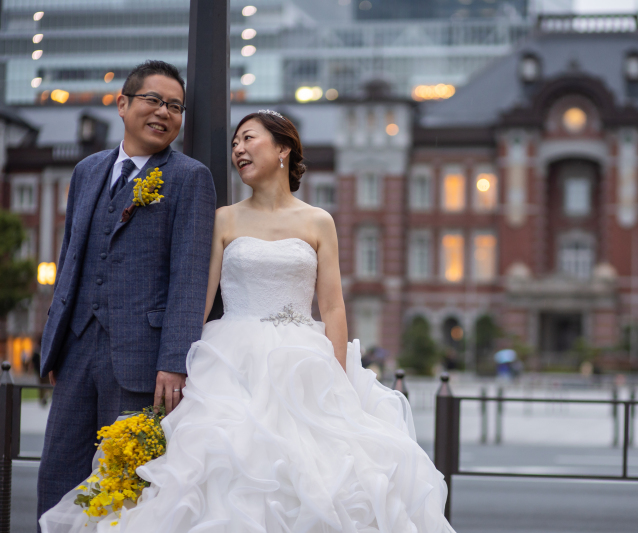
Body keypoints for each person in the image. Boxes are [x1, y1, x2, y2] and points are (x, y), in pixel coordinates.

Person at [41, 110, 455, 532]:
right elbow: (197, 302)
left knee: (321, 473)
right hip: (228, 360)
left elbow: (332, 307)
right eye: (235, 143)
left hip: (302, 362)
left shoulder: (318, 221)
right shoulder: (225, 218)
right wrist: (175, 361)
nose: (238, 149)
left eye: (248, 139)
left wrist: (338, 379)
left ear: (282, 149)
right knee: (220, 465)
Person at [36, 60, 216, 524]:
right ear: (123, 104)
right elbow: (70, 259)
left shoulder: (189, 177)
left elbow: (190, 276)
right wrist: (54, 346)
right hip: (77, 349)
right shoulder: (87, 170)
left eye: (175, 106)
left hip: (142, 358)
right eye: (153, 100)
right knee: (60, 471)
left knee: (127, 485)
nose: (164, 113)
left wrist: (175, 361)